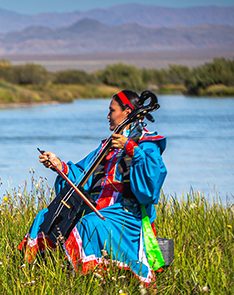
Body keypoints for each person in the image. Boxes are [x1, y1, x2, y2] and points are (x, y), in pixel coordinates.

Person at [19, 90, 167, 285]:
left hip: (127, 211)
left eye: (112, 111)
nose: (108, 116)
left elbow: (152, 180)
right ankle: (40, 273)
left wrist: (131, 148)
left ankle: (86, 282)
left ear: (127, 112)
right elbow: (82, 174)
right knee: (46, 217)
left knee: (89, 225)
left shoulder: (147, 142)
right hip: (95, 206)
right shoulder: (108, 145)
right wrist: (58, 165)